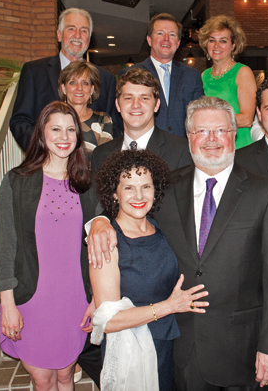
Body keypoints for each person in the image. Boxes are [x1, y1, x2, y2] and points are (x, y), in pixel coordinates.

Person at [87, 96, 268, 390]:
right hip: (182, 348)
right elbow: (129, 211)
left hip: (244, 352)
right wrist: (99, 222)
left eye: (220, 131)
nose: (211, 140)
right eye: (201, 131)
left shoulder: (265, 192)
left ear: (234, 135)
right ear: (189, 137)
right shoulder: (165, 188)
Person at [0, 101, 99, 390]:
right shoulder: (17, 181)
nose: (64, 137)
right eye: (56, 129)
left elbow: (96, 250)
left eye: (71, 130)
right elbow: (5, 244)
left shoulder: (86, 185)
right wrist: (8, 304)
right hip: (32, 297)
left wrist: (96, 297)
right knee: (42, 380)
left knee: (66, 376)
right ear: (42, 133)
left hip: (75, 297)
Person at [89, 149, 208, 391]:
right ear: (114, 193)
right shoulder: (107, 242)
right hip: (131, 353)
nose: (139, 195)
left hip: (170, 344)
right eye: (128, 187)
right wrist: (169, 306)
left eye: (146, 186)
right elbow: (108, 322)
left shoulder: (162, 227)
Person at [10, 8, 120, 152]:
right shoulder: (34, 71)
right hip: (45, 165)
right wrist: (44, 152)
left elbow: (114, 128)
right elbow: (20, 121)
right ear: (59, 35)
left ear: (89, 38)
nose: (77, 35)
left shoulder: (106, 78)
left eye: (84, 31)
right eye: (71, 29)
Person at [90, 68, 192, 173]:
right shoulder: (100, 155)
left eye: (144, 98)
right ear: (118, 105)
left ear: (156, 105)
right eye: (128, 98)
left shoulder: (181, 150)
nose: (136, 105)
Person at [120, 13, 204, 137]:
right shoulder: (129, 74)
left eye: (172, 34)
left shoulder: (193, 76)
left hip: (183, 150)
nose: (166, 38)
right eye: (160, 33)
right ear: (149, 40)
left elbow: (199, 117)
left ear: (178, 43)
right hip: (146, 150)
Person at [199, 15, 257, 149]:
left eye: (223, 41)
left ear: (233, 45)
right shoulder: (204, 75)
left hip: (238, 147)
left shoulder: (242, 72)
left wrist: (210, 121)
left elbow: (247, 119)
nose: (216, 46)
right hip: (212, 146)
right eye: (212, 40)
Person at [58, 61, 113, 156]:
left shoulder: (103, 120)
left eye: (85, 83)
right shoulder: (52, 119)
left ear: (92, 89)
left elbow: (105, 160)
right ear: (63, 88)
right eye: (73, 82)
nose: (79, 88)